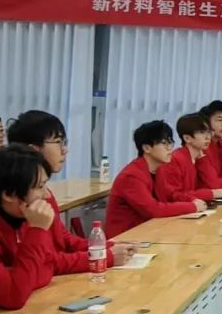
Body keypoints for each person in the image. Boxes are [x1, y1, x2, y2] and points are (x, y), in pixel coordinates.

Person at [7, 110, 137, 272]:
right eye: (58, 142)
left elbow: (63, 239)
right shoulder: (20, 198)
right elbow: (44, 261)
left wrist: (106, 246)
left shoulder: (44, 192)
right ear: (34, 150)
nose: (65, 150)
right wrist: (103, 256)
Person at [0, 144, 56, 314]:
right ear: (9, 194)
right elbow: (14, 295)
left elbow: (50, 262)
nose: (47, 195)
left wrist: (103, 255)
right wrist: (37, 231)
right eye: (39, 186)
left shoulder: (11, 213)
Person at [104, 120, 205, 237]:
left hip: (148, 231)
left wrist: (193, 200)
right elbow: (153, 210)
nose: (170, 148)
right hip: (124, 238)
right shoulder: (132, 176)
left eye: (170, 142)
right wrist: (192, 207)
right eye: (164, 143)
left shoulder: (158, 169)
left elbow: (171, 195)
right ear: (147, 148)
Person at [156, 112, 222, 203]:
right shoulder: (175, 159)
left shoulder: (197, 158)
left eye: (208, 132)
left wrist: (202, 160)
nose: (208, 137)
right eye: (202, 132)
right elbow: (174, 196)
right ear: (187, 138)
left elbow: (213, 184)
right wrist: (211, 194)